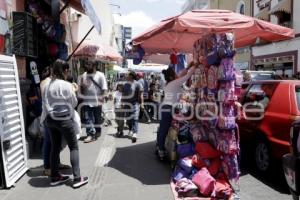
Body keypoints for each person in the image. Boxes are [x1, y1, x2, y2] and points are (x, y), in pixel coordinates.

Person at [44, 60, 88, 188]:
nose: (68, 72)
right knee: (73, 147)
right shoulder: (67, 85)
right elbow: (74, 103)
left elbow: (45, 103)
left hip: (50, 119)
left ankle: (55, 176)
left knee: (55, 147)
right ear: (65, 70)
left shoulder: (48, 85)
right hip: (64, 119)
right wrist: (74, 90)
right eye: (68, 70)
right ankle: (77, 178)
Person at [156, 62, 196, 160]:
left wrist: (189, 66)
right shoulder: (175, 83)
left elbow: (182, 75)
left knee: (165, 129)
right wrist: (196, 65)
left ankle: (161, 147)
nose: (177, 75)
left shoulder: (170, 83)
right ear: (171, 77)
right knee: (164, 130)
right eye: (175, 74)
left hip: (167, 108)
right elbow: (187, 75)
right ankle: (161, 151)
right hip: (168, 108)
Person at [78, 61, 108, 143]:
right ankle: (90, 134)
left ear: (94, 65)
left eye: (88, 64)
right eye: (86, 64)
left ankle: (98, 130)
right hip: (87, 101)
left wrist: (101, 100)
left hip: (97, 101)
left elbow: (104, 89)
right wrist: (82, 87)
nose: (86, 66)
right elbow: (80, 89)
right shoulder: (83, 75)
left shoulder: (100, 75)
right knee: (88, 118)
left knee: (97, 119)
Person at [123, 71, 144, 143]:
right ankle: (130, 129)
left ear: (131, 76)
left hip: (135, 103)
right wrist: (122, 103)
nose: (126, 76)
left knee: (135, 118)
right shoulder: (125, 84)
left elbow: (141, 94)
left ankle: (135, 133)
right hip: (127, 104)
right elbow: (123, 94)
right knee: (129, 119)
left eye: (127, 75)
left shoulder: (138, 84)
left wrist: (142, 103)